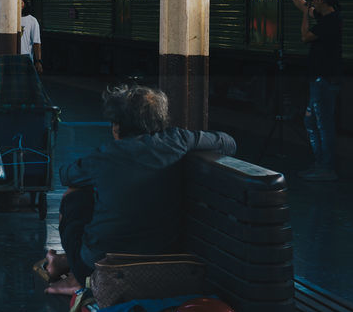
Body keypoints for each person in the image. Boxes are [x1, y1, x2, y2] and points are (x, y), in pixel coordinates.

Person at [38, 84, 236, 294]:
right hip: (161, 255)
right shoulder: (178, 140)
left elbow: (67, 176)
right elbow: (228, 143)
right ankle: (62, 261)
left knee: (74, 196)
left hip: (99, 265)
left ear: (117, 126)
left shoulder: (104, 155)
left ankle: (76, 277)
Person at [276, 0, 342, 180]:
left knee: (322, 124)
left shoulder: (330, 21)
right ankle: (321, 163)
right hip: (319, 79)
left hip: (324, 80)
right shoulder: (329, 15)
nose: (312, 1)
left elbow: (305, 37)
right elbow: (303, 4)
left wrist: (305, 14)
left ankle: (326, 167)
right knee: (313, 123)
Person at [19, 0, 42, 75]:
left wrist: (38, 61)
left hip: (26, 60)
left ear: (25, 4)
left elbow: (36, 43)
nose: (19, 5)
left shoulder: (32, 21)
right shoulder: (10, 19)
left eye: (21, 2)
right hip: (12, 59)